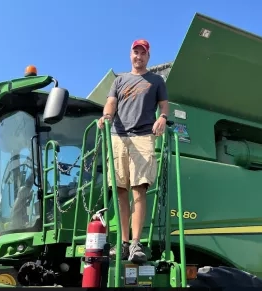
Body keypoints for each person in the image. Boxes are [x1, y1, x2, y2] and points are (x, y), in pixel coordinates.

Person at [97, 39, 169, 263]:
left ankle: (137, 243)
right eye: (136, 52)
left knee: (139, 190)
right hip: (118, 137)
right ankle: (124, 243)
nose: (139, 56)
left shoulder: (156, 80)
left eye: (143, 53)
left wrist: (163, 118)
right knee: (120, 191)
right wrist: (107, 116)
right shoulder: (119, 81)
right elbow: (111, 103)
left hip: (143, 138)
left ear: (149, 57)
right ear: (130, 55)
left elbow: (164, 105)